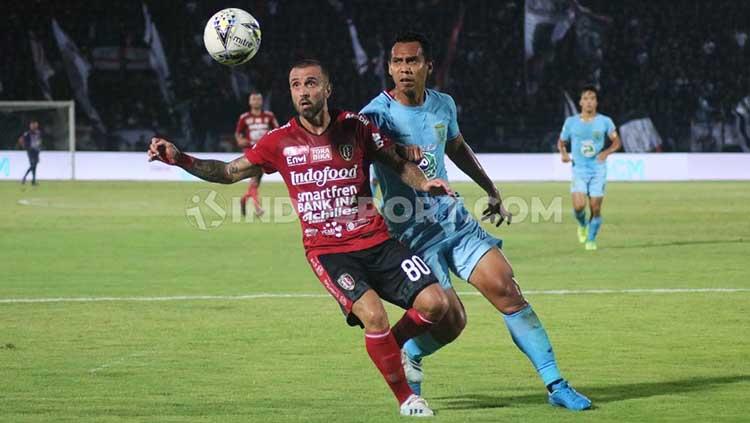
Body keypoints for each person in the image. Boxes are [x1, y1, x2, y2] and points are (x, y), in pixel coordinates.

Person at [148, 59, 456, 417]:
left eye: (311, 83)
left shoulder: (356, 127)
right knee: (374, 316)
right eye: (296, 85)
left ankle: (395, 346)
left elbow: (397, 162)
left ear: (327, 89)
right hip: (329, 252)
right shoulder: (278, 142)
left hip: (376, 240)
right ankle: (408, 399)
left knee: (436, 304)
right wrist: (180, 158)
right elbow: (229, 172)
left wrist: (424, 182)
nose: (303, 91)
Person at [360, 32, 592, 410]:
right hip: (410, 232)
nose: (405, 69)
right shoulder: (376, 114)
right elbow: (367, 155)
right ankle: (411, 351)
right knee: (452, 322)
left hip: (453, 220)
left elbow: (456, 148)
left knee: (507, 288)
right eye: (398, 62)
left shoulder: (443, 106)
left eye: (413, 61)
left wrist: (491, 189)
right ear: (388, 67)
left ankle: (556, 384)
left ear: (428, 66)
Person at [557, 86, 622, 250]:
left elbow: (617, 142)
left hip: (598, 169)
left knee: (595, 207)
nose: (589, 102)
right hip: (579, 168)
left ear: (596, 102)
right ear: (580, 102)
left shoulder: (605, 121)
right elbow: (561, 141)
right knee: (579, 206)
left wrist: (606, 152)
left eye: (592, 98)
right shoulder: (571, 122)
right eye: (585, 98)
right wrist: (563, 153)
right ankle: (582, 224)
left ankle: (591, 239)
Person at [235, 91, 279, 216]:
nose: (256, 101)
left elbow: (277, 131)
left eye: (258, 99)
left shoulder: (269, 116)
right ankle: (257, 207)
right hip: (251, 151)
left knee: (257, 180)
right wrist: (241, 141)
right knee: (255, 177)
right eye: (254, 99)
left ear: (262, 101)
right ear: (249, 102)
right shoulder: (245, 117)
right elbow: (238, 134)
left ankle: (243, 200)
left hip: (265, 151)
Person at [18, 120, 42, 185]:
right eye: (33, 125)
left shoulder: (38, 132)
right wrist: (25, 147)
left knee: (34, 165)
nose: (35, 126)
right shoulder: (27, 133)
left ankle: (33, 180)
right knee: (33, 164)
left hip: (36, 150)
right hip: (30, 151)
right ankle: (25, 177)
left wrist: (39, 147)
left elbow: (39, 141)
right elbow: (21, 139)